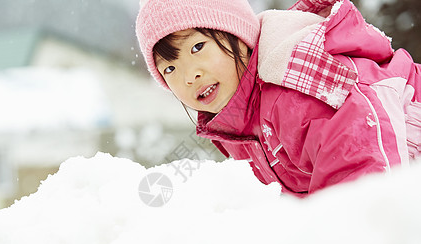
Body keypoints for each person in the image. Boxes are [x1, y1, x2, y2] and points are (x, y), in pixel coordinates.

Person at [135, 0, 421, 196]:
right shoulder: (235, 122)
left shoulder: (296, 88)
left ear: (236, 32)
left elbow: (364, 187)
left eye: (197, 47)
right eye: (169, 68)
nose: (189, 75)